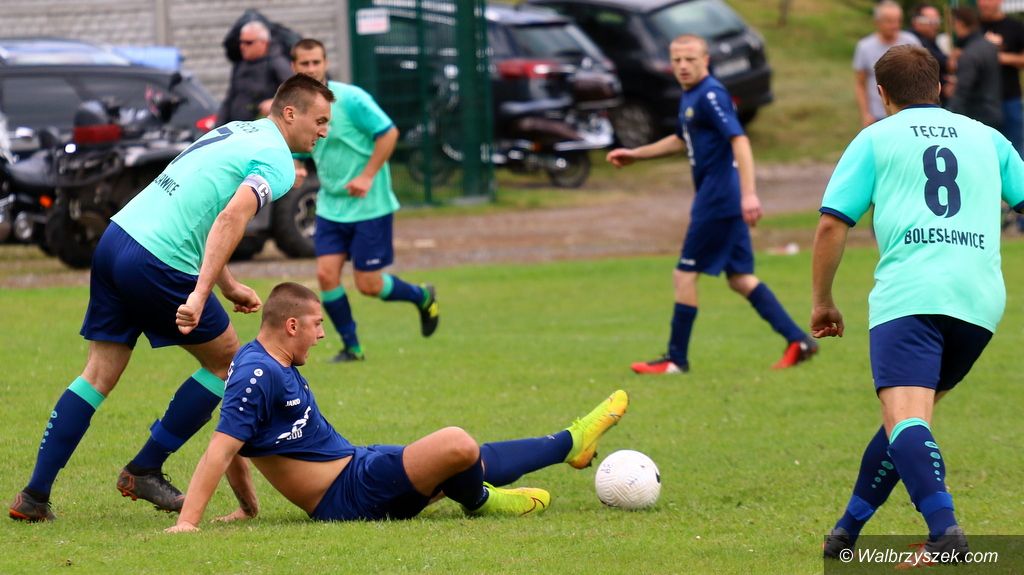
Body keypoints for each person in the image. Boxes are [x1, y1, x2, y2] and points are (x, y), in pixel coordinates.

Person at [8, 74, 335, 522]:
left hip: (117, 240)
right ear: (291, 113)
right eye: (320, 121)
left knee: (98, 374)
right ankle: (144, 469)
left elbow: (198, 213)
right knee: (227, 361)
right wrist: (200, 293)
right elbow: (229, 218)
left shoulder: (237, 130)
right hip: (159, 261)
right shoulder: (276, 160)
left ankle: (34, 496)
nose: (323, 132)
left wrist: (227, 286)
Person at [165, 282, 629, 529]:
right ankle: (481, 501)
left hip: (357, 466)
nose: (322, 334)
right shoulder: (257, 374)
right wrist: (188, 523)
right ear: (291, 326)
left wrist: (248, 507)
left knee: (467, 456)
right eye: (317, 324)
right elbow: (221, 449)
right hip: (348, 495)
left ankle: (571, 442)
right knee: (456, 443)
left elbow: (236, 439)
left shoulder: (264, 360)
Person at [813, 45, 1024, 566]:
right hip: (979, 302)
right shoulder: (989, 138)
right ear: (940, 86)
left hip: (911, 294)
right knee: (906, 421)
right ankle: (846, 531)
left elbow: (832, 224)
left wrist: (823, 301)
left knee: (906, 418)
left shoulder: (875, 138)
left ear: (881, 93)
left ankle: (945, 535)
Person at [605, 34, 817, 376]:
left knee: (684, 274)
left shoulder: (711, 94)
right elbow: (682, 139)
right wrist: (636, 154)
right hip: (720, 197)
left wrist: (749, 194)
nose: (683, 66)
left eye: (690, 59)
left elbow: (739, 139)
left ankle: (676, 359)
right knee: (740, 278)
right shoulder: (691, 95)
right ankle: (798, 341)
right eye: (677, 60)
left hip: (719, 199)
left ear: (706, 60)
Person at [290, 38, 438, 363]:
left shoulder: (351, 99)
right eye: (304, 63)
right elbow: (300, 144)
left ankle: (422, 296)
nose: (311, 69)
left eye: (316, 62)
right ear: (294, 67)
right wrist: (297, 165)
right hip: (332, 205)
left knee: (368, 285)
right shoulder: (298, 106)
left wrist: (368, 175)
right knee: (326, 276)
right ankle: (352, 348)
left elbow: (389, 133)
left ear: (326, 63)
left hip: (369, 205)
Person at [853, 1, 921, 126]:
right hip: (878, 116)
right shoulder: (864, 47)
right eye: (889, 21)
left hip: (907, 114)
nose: (895, 25)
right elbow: (860, 84)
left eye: (898, 21)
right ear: (877, 22)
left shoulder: (911, 42)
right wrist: (865, 113)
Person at [217, 20, 294, 124]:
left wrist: (276, 103)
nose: (242, 46)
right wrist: (218, 126)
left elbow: (295, 93)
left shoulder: (278, 63)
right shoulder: (240, 64)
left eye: (248, 42)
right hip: (237, 126)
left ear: (264, 43)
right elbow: (230, 98)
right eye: (241, 42)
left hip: (262, 126)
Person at [978, 0, 1024, 157]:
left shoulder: (1015, 26)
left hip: (1009, 97)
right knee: (985, 149)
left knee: (1015, 149)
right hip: (980, 100)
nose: (983, 4)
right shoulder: (974, 26)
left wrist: (1000, 57)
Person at [947, 7, 1003, 130]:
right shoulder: (989, 47)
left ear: (959, 23)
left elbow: (962, 89)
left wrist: (949, 115)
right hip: (993, 111)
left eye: (953, 24)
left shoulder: (970, 53)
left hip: (977, 115)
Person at [909, 3, 950, 104]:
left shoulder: (930, 39)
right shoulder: (914, 41)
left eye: (937, 21)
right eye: (930, 21)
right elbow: (941, 62)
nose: (935, 25)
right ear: (916, 22)